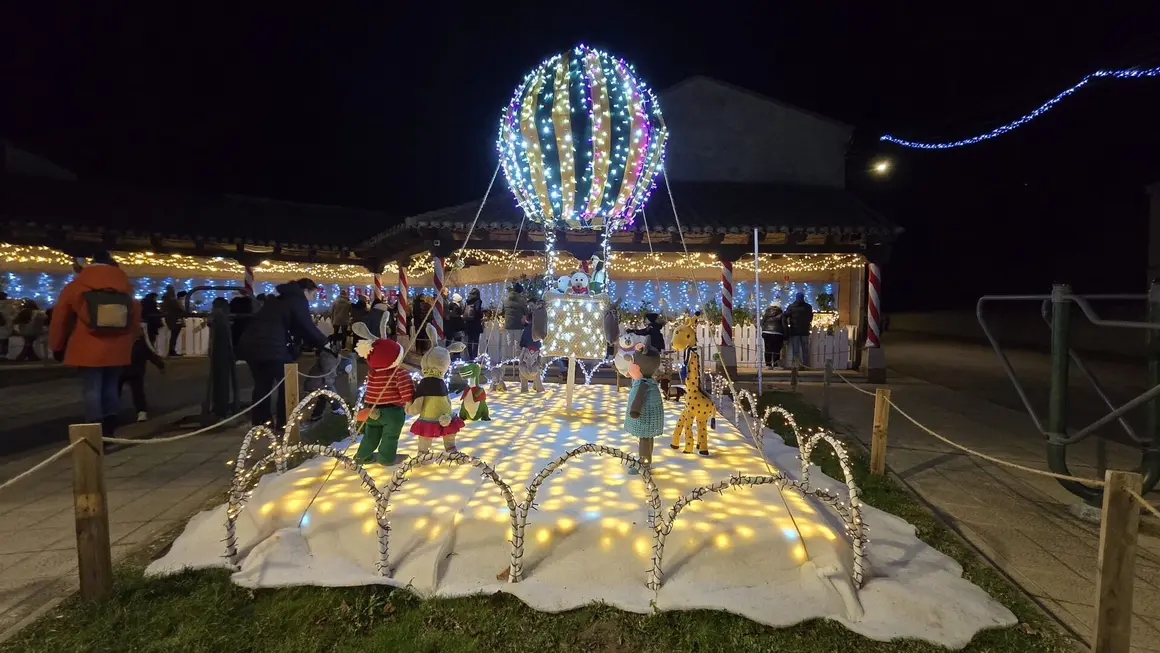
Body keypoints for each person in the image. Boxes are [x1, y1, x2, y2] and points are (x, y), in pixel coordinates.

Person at [48, 250, 142, 439]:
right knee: (111, 386)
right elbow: (134, 321)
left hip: (87, 346)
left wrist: (56, 345)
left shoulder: (76, 286)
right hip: (117, 347)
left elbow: (61, 318)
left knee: (92, 388)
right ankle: (110, 426)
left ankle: (93, 428)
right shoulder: (125, 288)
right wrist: (128, 343)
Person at [236, 278, 330, 429]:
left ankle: (261, 423)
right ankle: (285, 422)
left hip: (251, 344)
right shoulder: (297, 300)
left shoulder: (279, 299)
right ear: (306, 290)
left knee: (262, 384)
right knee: (287, 382)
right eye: (313, 294)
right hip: (272, 346)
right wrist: (325, 343)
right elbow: (306, 325)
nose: (312, 299)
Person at [121, 324, 166, 421]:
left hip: (120, 367)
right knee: (138, 391)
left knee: (115, 390)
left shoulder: (120, 337)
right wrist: (160, 364)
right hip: (136, 368)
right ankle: (141, 412)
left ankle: (112, 412)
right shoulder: (139, 340)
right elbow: (148, 352)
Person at [782, 292, 814, 368]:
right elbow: (810, 318)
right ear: (803, 297)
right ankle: (806, 365)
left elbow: (785, 316)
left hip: (794, 330)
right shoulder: (808, 307)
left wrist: (786, 326)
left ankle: (796, 365)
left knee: (796, 351)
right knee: (805, 350)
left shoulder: (791, 306)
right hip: (805, 331)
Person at [502, 282, 528, 361]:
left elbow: (503, 311)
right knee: (518, 343)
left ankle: (508, 359)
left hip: (508, 324)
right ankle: (518, 360)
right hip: (518, 324)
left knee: (509, 344)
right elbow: (525, 312)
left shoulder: (506, 299)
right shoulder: (522, 300)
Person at [161, 286, 186, 356]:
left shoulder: (165, 299)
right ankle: (172, 351)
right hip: (176, 319)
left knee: (173, 336)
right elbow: (181, 309)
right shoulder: (173, 300)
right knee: (174, 336)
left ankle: (171, 351)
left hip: (169, 319)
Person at [760, 303, 786, 369]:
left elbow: (761, 323)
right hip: (777, 333)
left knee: (767, 349)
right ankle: (775, 365)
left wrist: (765, 328)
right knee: (776, 349)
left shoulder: (766, 313)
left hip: (766, 332)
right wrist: (786, 336)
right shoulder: (781, 314)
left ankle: (768, 365)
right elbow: (784, 325)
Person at [463, 287, 484, 360]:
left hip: (468, 323)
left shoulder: (468, 301)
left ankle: (470, 356)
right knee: (475, 341)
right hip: (475, 324)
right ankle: (474, 357)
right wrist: (481, 314)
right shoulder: (478, 301)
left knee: (469, 340)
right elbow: (478, 311)